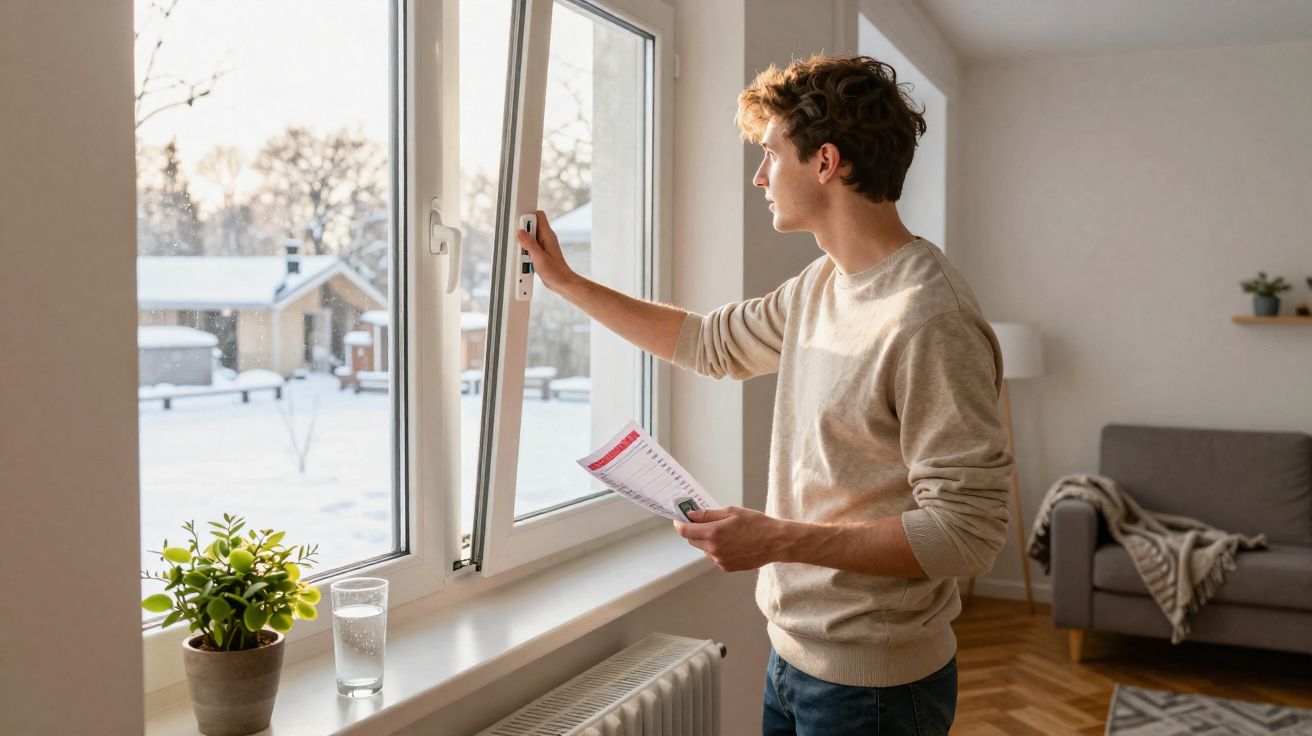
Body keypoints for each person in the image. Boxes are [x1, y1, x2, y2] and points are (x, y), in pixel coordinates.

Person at [515, 54, 1013, 736]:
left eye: (770, 153)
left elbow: (967, 533)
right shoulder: (821, 285)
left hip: (875, 688)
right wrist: (568, 285)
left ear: (825, 162)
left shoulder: (931, 317)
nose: (759, 175)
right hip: (792, 660)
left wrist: (777, 538)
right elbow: (707, 343)